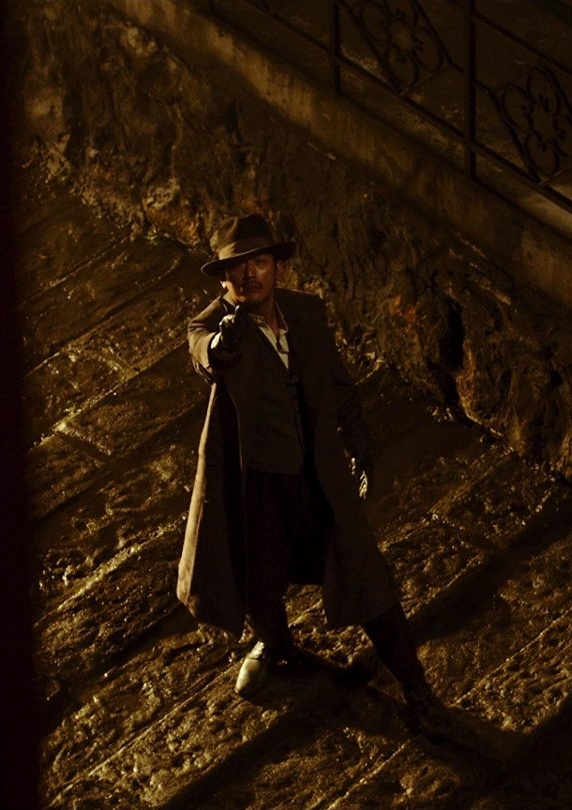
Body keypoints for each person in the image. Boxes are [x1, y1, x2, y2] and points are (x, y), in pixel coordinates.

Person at [176, 212, 443, 731]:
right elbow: (207, 355)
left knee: (364, 577)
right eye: (236, 268)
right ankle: (279, 649)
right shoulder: (210, 326)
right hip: (260, 484)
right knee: (259, 583)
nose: (248, 275)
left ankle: (418, 689)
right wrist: (222, 346)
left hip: (318, 476)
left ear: (277, 267)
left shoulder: (306, 313)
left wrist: (357, 439)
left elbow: (337, 384)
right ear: (224, 278)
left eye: (258, 262)